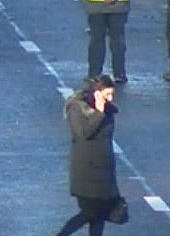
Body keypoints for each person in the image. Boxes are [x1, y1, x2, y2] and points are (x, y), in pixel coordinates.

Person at [57, 75, 121, 236]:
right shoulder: (77, 109)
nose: (110, 98)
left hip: (104, 172)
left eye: (112, 94)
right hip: (86, 172)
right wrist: (98, 113)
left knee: (98, 217)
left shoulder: (108, 109)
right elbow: (83, 133)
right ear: (96, 93)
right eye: (107, 95)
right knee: (89, 213)